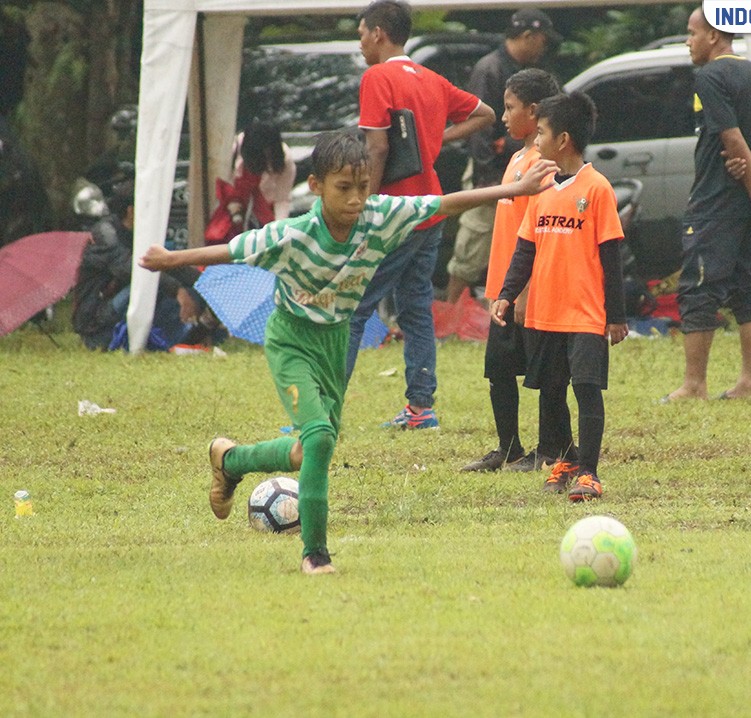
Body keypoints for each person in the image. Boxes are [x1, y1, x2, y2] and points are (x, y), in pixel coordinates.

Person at [138, 129, 555, 575]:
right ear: (315, 186)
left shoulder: (380, 216)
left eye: (362, 186)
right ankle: (315, 553)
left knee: (307, 451)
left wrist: (518, 189)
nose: (356, 199)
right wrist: (172, 259)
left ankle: (231, 459)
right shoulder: (292, 235)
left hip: (334, 342)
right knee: (318, 438)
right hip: (292, 341)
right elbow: (231, 250)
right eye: (343, 188)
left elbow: (447, 202)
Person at [344, 0, 496, 430]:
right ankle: (420, 409)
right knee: (415, 308)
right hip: (431, 208)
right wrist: (437, 137)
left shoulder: (377, 77)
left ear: (377, 33)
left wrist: (365, 204)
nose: (360, 43)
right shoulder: (431, 78)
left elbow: (376, 147)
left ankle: (323, 413)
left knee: (355, 307)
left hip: (393, 210)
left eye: (361, 34)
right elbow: (486, 114)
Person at [491, 92, 628, 501]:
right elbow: (525, 250)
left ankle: (589, 470)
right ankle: (565, 456)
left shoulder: (598, 189)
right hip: (545, 313)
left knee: (586, 390)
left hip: (585, 314)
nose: (536, 140)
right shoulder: (542, 190)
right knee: (551, 392)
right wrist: (506, 294)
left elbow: (612, 256)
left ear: (563, 140)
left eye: (542, 133)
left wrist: (616, 315)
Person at [661, 8, 751, 404]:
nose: (687, 41)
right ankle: (750, 382)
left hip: (718, 200)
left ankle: (693, 385)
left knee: (699, 286)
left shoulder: (710, 76)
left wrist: (750, 184)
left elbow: (731, 139)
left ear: (713, 36)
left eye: (691, 33)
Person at [461, 68, 563, 473]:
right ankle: (508, 448)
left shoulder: (544, 164)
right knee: (499, 370)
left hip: (528, 291)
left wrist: (523, 290)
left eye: (510, 107)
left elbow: (542, 233)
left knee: (542, 374)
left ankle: (549, 449)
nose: (502, 117)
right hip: (504, 287)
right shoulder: (518, 157)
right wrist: (499, 287)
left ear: (534, 111)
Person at [444, 8, 560, 305]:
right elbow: (479, 128)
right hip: (491, 170)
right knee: (474, 239)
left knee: (524, 237)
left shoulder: (531, 73)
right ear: (527, 36)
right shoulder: (491, 68)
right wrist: (488, 177)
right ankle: (451, 308)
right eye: (542, 41)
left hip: (524, 163)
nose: (543, 48)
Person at [72, 180, 208, 350]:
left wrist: (206, 284)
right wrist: (177, 290)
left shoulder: (140, 232)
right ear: (131, 211)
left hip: (122, 306)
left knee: (191, 288)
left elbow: (170, 265)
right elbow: (130, 268)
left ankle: (187, 333)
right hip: (97, 321)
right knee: (149, 284)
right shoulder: (105, 234)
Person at [207, 123, 297, 245]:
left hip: (264, 209)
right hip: (234, 205)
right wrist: (231, 202)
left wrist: (279, 229)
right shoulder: (233, 148)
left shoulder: (285, 161)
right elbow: (223, 180)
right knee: (221, 238)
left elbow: (282, 199)